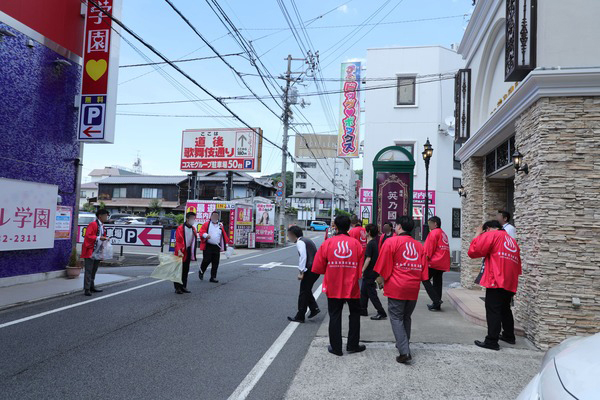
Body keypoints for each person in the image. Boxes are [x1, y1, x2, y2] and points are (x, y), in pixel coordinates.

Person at [374, 216, 428, 364]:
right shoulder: (419, 246)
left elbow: (384, 266)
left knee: (396, 317)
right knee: (406, 317)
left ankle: (404, 351)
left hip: (397, 286)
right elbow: (424, 272)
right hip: (413, 286)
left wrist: (381, 279)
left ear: (398, 227)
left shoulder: (391, 242)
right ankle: (403, 344)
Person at [312, 215, 366, 356]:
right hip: (352, 286)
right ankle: (352, 345)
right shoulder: (356, 244)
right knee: (354, 314)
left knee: (335, 315)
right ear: (349, 226)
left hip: (334, 285)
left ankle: (336, 348)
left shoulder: (328, 243)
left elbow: (318, 267)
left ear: (335, 225)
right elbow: (360, 269)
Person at [468, 220, 522, 351]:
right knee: (505, 308)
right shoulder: (512, 241)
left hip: (497, 278)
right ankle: (509, 335)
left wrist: (477, 234)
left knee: (493, 310)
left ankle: (492, 341)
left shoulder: (492, 235)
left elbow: (473, 251)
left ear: (488, 229)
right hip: (510, 280)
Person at [286, 226, 321, 323]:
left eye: (289, 235)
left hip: (310, 270)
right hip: (315, 269)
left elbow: (303, 257)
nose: (288, 237)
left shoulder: (300, 242)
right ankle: (314, 309)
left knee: (303, 292)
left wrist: (301, 272)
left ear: (293, 235)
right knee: (306, 290)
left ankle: (300, 316)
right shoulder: (308, 240)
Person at [422, 216, 451, 311]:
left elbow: (429, 249)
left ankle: (436, 300)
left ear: (435, 224)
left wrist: (425, 259)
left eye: (430, 223)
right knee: (437, 283)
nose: (429, 225)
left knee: (425, 279)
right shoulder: (443, 234)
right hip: (442, 262)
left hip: (434, 262)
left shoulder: (433, 233)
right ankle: (437, 304)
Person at [360, 224, 387, 320]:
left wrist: (362, 270)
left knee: (372, 294)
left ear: (369, 232)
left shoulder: (371, 244)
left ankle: (381, 312)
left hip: (370, 272)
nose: (364, 233)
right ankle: (363, 309)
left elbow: (368, 258)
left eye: (366, 231)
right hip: (372, 271)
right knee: (363, 291)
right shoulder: (374, 242)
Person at [80, 209, 109, 296]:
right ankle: (87, 289)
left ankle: (91, 286)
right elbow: (88, 236)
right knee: (89, 270)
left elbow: (99, 236)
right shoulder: (93, 224)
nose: (106, 217)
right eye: (105, 216)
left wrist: (104, 238)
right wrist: (99, 238)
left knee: (94, 270)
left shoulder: (101, 225)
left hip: (97, 250)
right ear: (100, 216)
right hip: (90, 250)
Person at [199, 211, 230, 283]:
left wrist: (226, 244)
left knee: (215, 262)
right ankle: (201, 271)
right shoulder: (207, 224)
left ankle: (213, 277)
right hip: (208, 245)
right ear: (211, 216)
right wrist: (206, 235)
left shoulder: (220, 225)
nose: (215, 217)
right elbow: (201, 232)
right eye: (214, 216)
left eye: (216, 216)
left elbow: (223, 235)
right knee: (206, 260)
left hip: (217, 246)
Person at [173, 211, 198, 294]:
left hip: (188, 251)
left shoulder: (193, 229)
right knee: (178, 270)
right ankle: (177, 288)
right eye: (192, 218)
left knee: (185, 269)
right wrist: (179, 251)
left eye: (194, 219)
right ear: (187, 219)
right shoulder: (180, 228)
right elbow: (178, 241)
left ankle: (184, 286)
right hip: (180, 251)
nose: (193, 220)